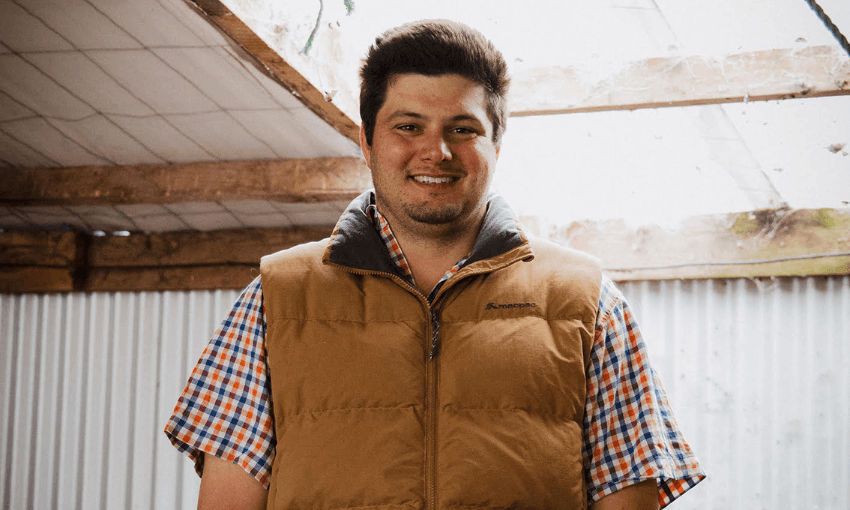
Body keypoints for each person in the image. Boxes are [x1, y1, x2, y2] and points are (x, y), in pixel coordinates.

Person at [165, 19, 704, 510]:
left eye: (463, 128)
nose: (437, 151)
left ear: (497, 145)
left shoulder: (588, 301)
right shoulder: (275, 298)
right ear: (366, 142)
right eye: (408, 126)